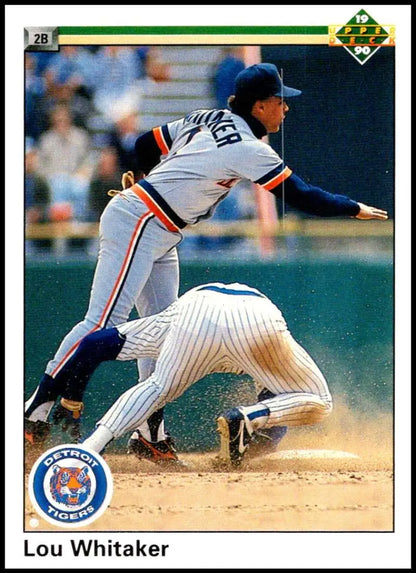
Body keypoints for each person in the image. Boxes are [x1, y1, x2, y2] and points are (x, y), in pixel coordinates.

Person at [24, 63, 388, 461]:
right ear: (261, 105)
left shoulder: (209, 116)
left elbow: (146, 143)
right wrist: (352, 208)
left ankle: (148, 432)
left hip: (160, 228)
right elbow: (299, 196)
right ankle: (35, 411)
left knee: (162, 336)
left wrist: (152, 176)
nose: (286, 108)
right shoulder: (248, 148)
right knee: (102, 322)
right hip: (141, 219)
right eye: (280, 101)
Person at [29, 282, 332, 466]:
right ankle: (249, 418)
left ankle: (89, 449)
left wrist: (72, 399)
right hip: (257, 319)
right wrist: (254, 433)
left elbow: (92, 344)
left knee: (157, 387)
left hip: (193, 311)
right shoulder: (269, 375)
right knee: (319, 400)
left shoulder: (164, 322)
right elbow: (281, 405)